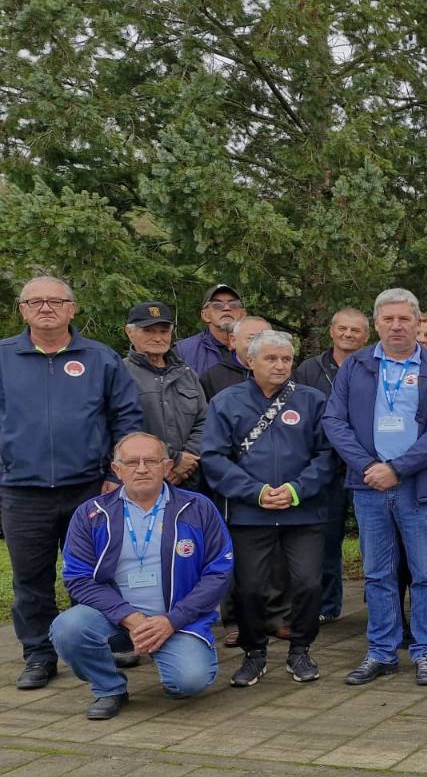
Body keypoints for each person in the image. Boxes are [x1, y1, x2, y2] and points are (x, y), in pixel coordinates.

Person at [2, 276, 143, 690]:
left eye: (56, 301)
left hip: (89, 491)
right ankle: (39, 656)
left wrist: (111, 476)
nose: (46, 308)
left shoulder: (100, 358)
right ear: (22, 309)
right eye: (36, 301)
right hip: (21, 492)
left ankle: (99, 650)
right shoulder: (3, 357)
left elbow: (127, 419)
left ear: (72, 308)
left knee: (96, 576)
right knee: (31, 580)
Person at [323, 288, 427, 687]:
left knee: (426, 573)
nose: (397, 326)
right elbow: (335, 421)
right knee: (377, 573)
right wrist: (369, 466)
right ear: (377, 323)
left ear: (419, 323)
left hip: (419, 487)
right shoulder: (357, 366)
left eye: (405, 319)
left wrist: (397, 468)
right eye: (389, 319)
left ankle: (426, 651)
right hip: (368, 487)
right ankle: (382, 651)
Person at [54, 433, 233, 719]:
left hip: (176, 618)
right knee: (68, 628)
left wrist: (171, 620)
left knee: (189, 682)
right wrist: (129, 616)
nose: (141, 468)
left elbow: (218, 572)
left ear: (167, 466)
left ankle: (172, 650)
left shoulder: (198, 508)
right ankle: (109, 688)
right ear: (117, 469)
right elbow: (78, 577)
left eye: (151, 460)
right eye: (132, 462)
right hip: (115, 617)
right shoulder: (91, 513)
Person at [202, 331, 335, 686]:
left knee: (308, 583)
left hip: (302, 511)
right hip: (249, 512)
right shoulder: (226, 402)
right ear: (250, 361)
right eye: (271, 359)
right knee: (249, 588)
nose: (280, 366)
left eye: (286, 359)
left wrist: (295, 490)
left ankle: (300, 650)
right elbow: (214, 457)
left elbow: (327, 455)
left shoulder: (312, 400)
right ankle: (254, 653)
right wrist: (255, 492)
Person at [293, 308, 371, 621]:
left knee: (373, 539)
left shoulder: (374, 366)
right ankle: (327, 606)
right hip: (326, 466)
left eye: (356, 330)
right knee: (326, 537)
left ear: (367, 336)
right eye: (343, 328)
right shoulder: (309, 369)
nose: (348, 334)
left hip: (366, 465)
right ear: (331, 331)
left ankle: (377, 606)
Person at [123, 302, 206, 492]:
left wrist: (187, 458)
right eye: (149, 331)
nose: (158, 338)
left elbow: (205, 421)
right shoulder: (120, 373)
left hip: (189, 480)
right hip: (140, 480)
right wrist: (172, 458)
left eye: (163, 331)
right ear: (129, 332)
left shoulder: (187, 374)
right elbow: (122, 427)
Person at [174, 284, 245, 377]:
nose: (227, 308)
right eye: (217, 305)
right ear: (205, 315)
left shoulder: (257, 346)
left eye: (234, 304)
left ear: (243, 314)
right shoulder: (182, 351)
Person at [199, 316, 270, 400]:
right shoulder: (212, 377)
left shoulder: (283, 372)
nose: (260, 345)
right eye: (252, 339)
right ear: (233, 341)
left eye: (266, 339)